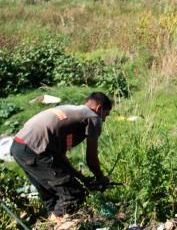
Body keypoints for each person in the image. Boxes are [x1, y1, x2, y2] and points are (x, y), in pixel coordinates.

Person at [10, 92, 112, 220]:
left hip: (19, 147)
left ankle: (53, 228)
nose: (104, 120)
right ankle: (62, 228)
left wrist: (80, 177)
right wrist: (100, 177)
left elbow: (60, 157)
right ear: (99, 109)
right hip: (35, 149)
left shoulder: (71, 112)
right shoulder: (94, 117)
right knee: (73, 194)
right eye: (106, 115)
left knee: (52, 196)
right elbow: (91, 158)